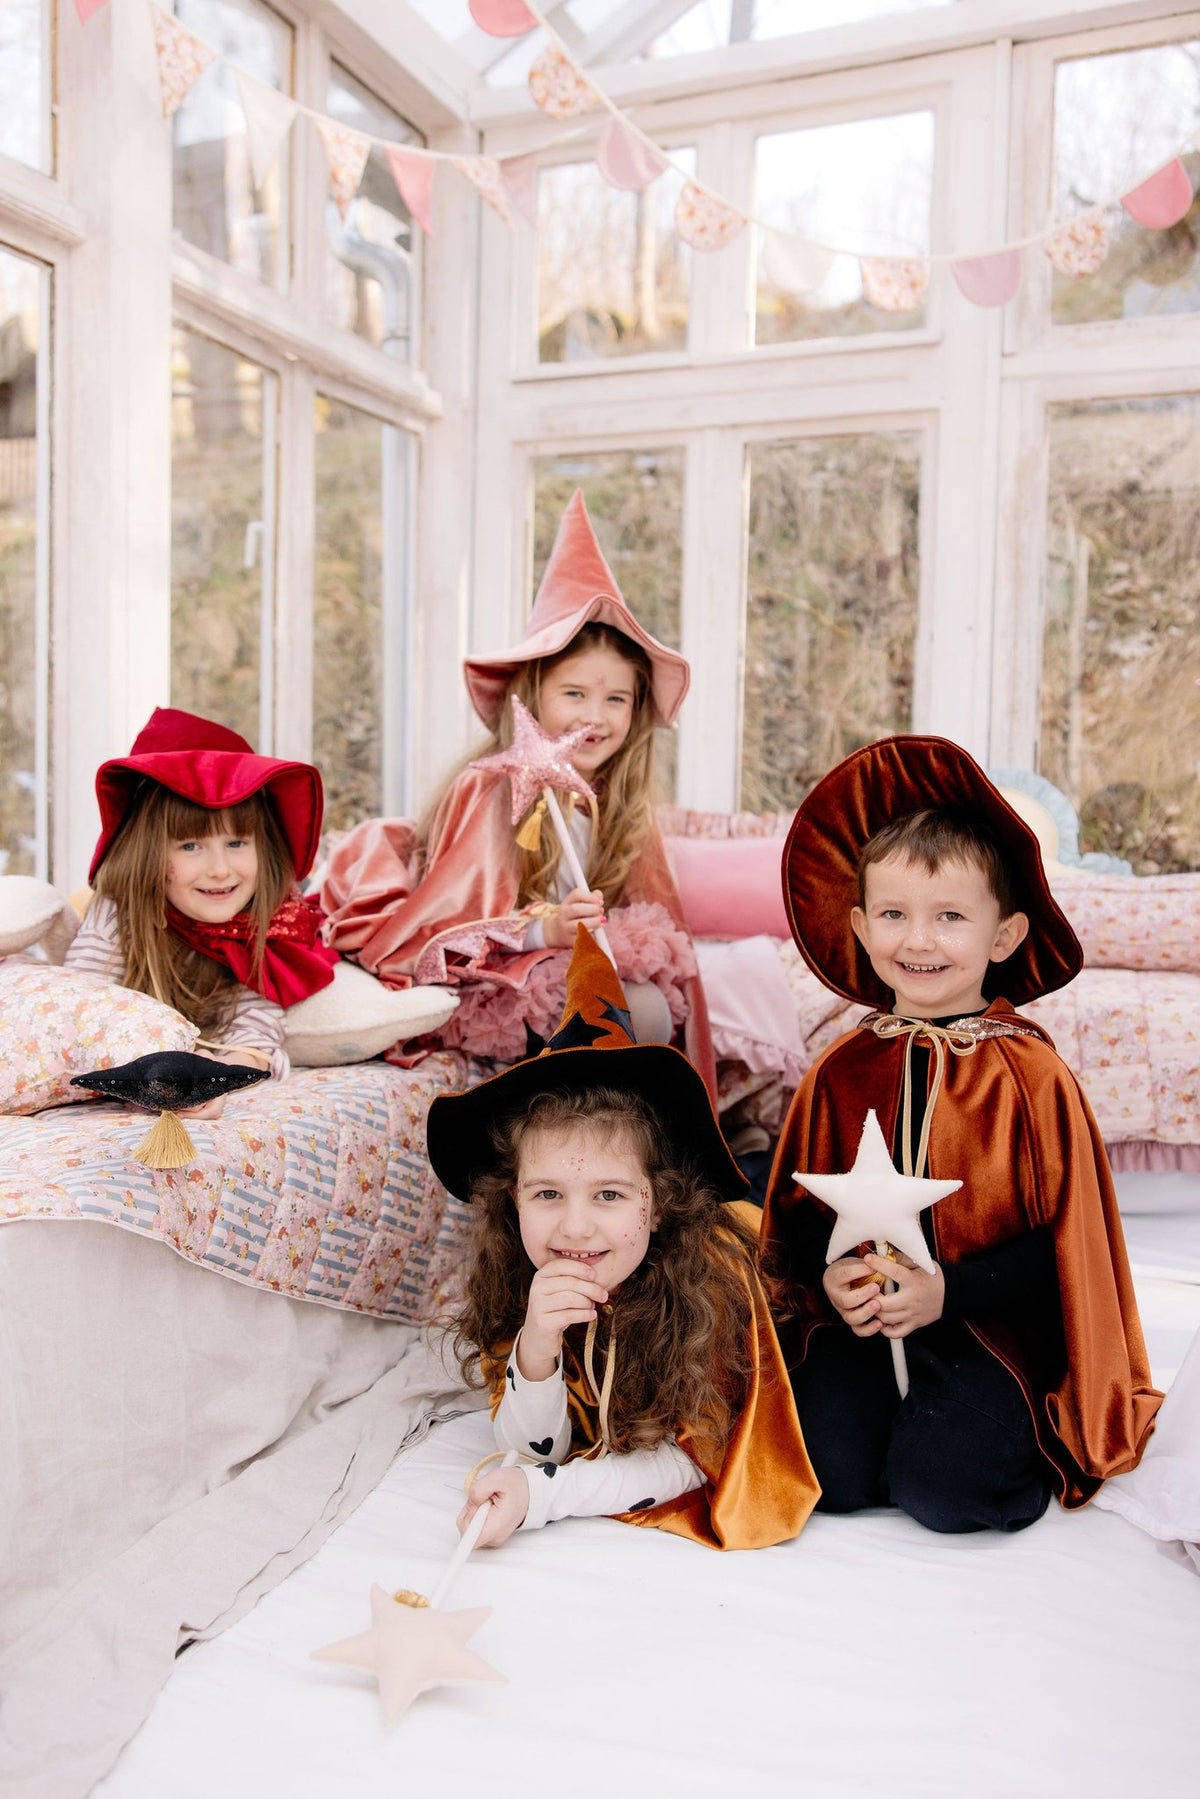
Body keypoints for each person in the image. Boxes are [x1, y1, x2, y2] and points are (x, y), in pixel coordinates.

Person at [761, 735, 1161, 1533]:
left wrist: (949, 1290)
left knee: (943, 1490)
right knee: (824, 1471)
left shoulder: (1029, 1076)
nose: (919, 940)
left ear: (1003, 935)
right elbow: (799, 1217)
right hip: (869, 1321)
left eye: (950, 917)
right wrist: (834, 1279)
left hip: (991, 1323)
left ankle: (995, 1434)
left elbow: (1062, 1250)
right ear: (862, 928)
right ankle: (896, 1423)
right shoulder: (842, 1068)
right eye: (896, 915)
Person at [426, 925, 818, 1549]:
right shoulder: (523, 1270)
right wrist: (538, 1344)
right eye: (548, 1194)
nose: (575, 1229)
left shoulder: (706, 1284)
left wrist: (545, 1498)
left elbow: (688, 1460)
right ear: (514, 1197)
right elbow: (536, 1448)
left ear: (658, 1204)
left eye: (609, 1195)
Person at [321, 490, 715, 1090]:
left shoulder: (614, 799)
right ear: (531, 697)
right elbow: (451, 919)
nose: (596, 717)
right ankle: (567, 1134)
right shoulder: (489, 789)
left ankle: (629, 1143)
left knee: (653, 1008)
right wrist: (545, 930)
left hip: (572, 968)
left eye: (617, 700)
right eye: (574, 695)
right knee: (636, 1014)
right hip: (500, 976)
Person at [66, 707, 336, 1101]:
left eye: (236, 843)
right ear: (149, 854)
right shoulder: (118, 913)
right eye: (191, 846)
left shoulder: (268, 921)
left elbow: (256, 1023)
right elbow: (83, 1010)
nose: (220, 870)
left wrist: (219, 1076)